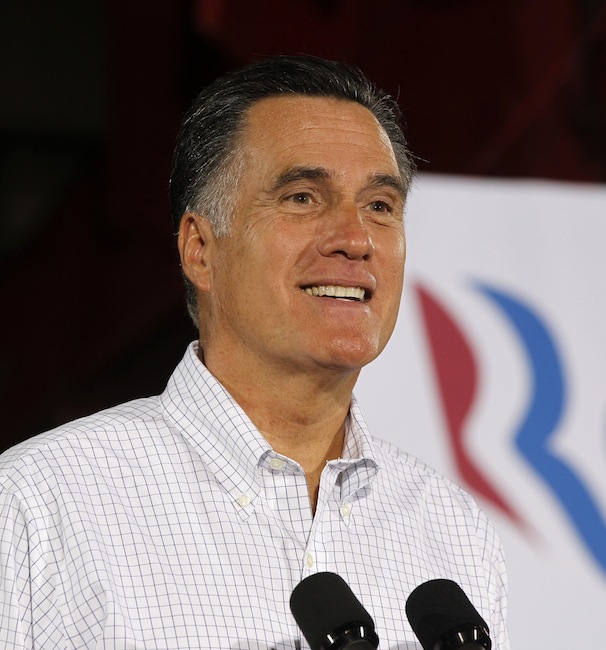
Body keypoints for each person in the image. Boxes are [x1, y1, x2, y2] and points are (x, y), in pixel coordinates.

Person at [0, 56, 509, 649]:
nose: (355, 239)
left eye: (379, 206)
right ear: (200, 249)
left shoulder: (455, 532)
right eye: (301, 197)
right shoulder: (38, 508)